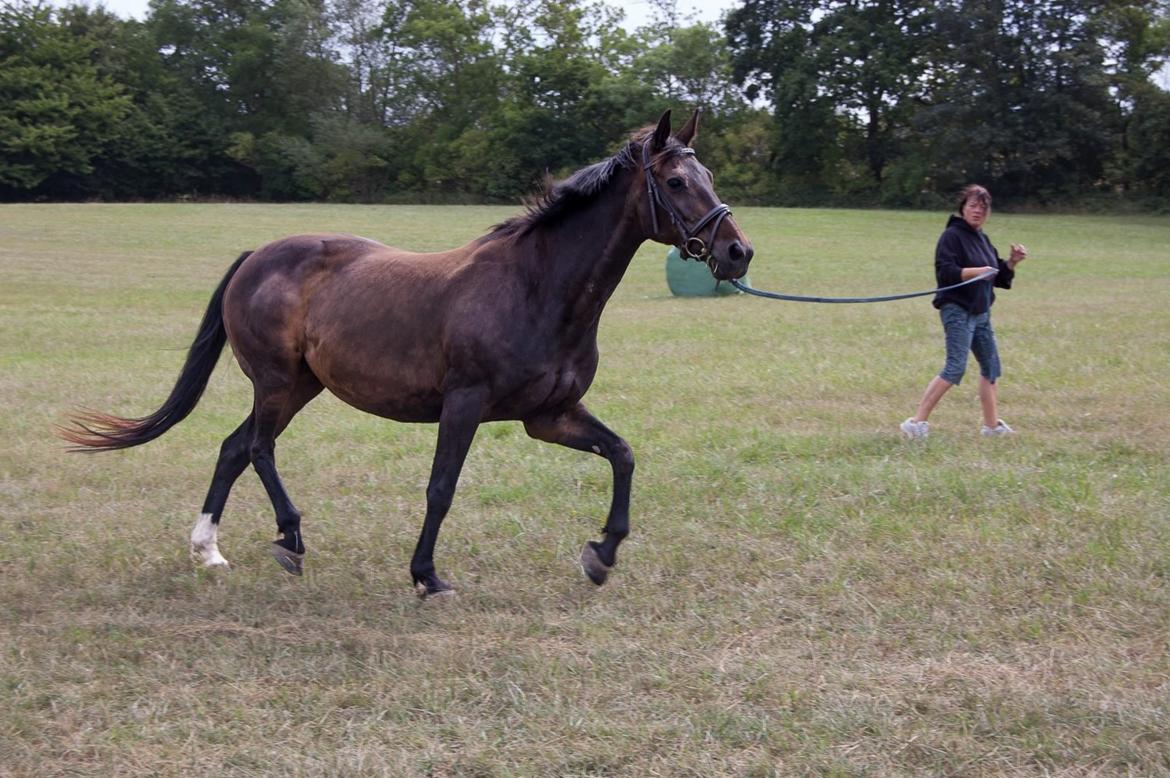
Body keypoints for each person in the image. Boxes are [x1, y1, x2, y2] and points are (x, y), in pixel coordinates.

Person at [901, 184, 1027, 439]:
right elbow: (946, 271)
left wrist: (1012, 262)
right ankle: (915, 423)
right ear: (963, 208)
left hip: (981, 312)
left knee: (991, 367)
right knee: (955, 368)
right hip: (957, 309)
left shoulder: (982, 239)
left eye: (983, 208)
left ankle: (992, 427)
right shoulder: (952, 236)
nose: (977, 211)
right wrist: (978, 271)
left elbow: (998, 277)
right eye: (973, 206)